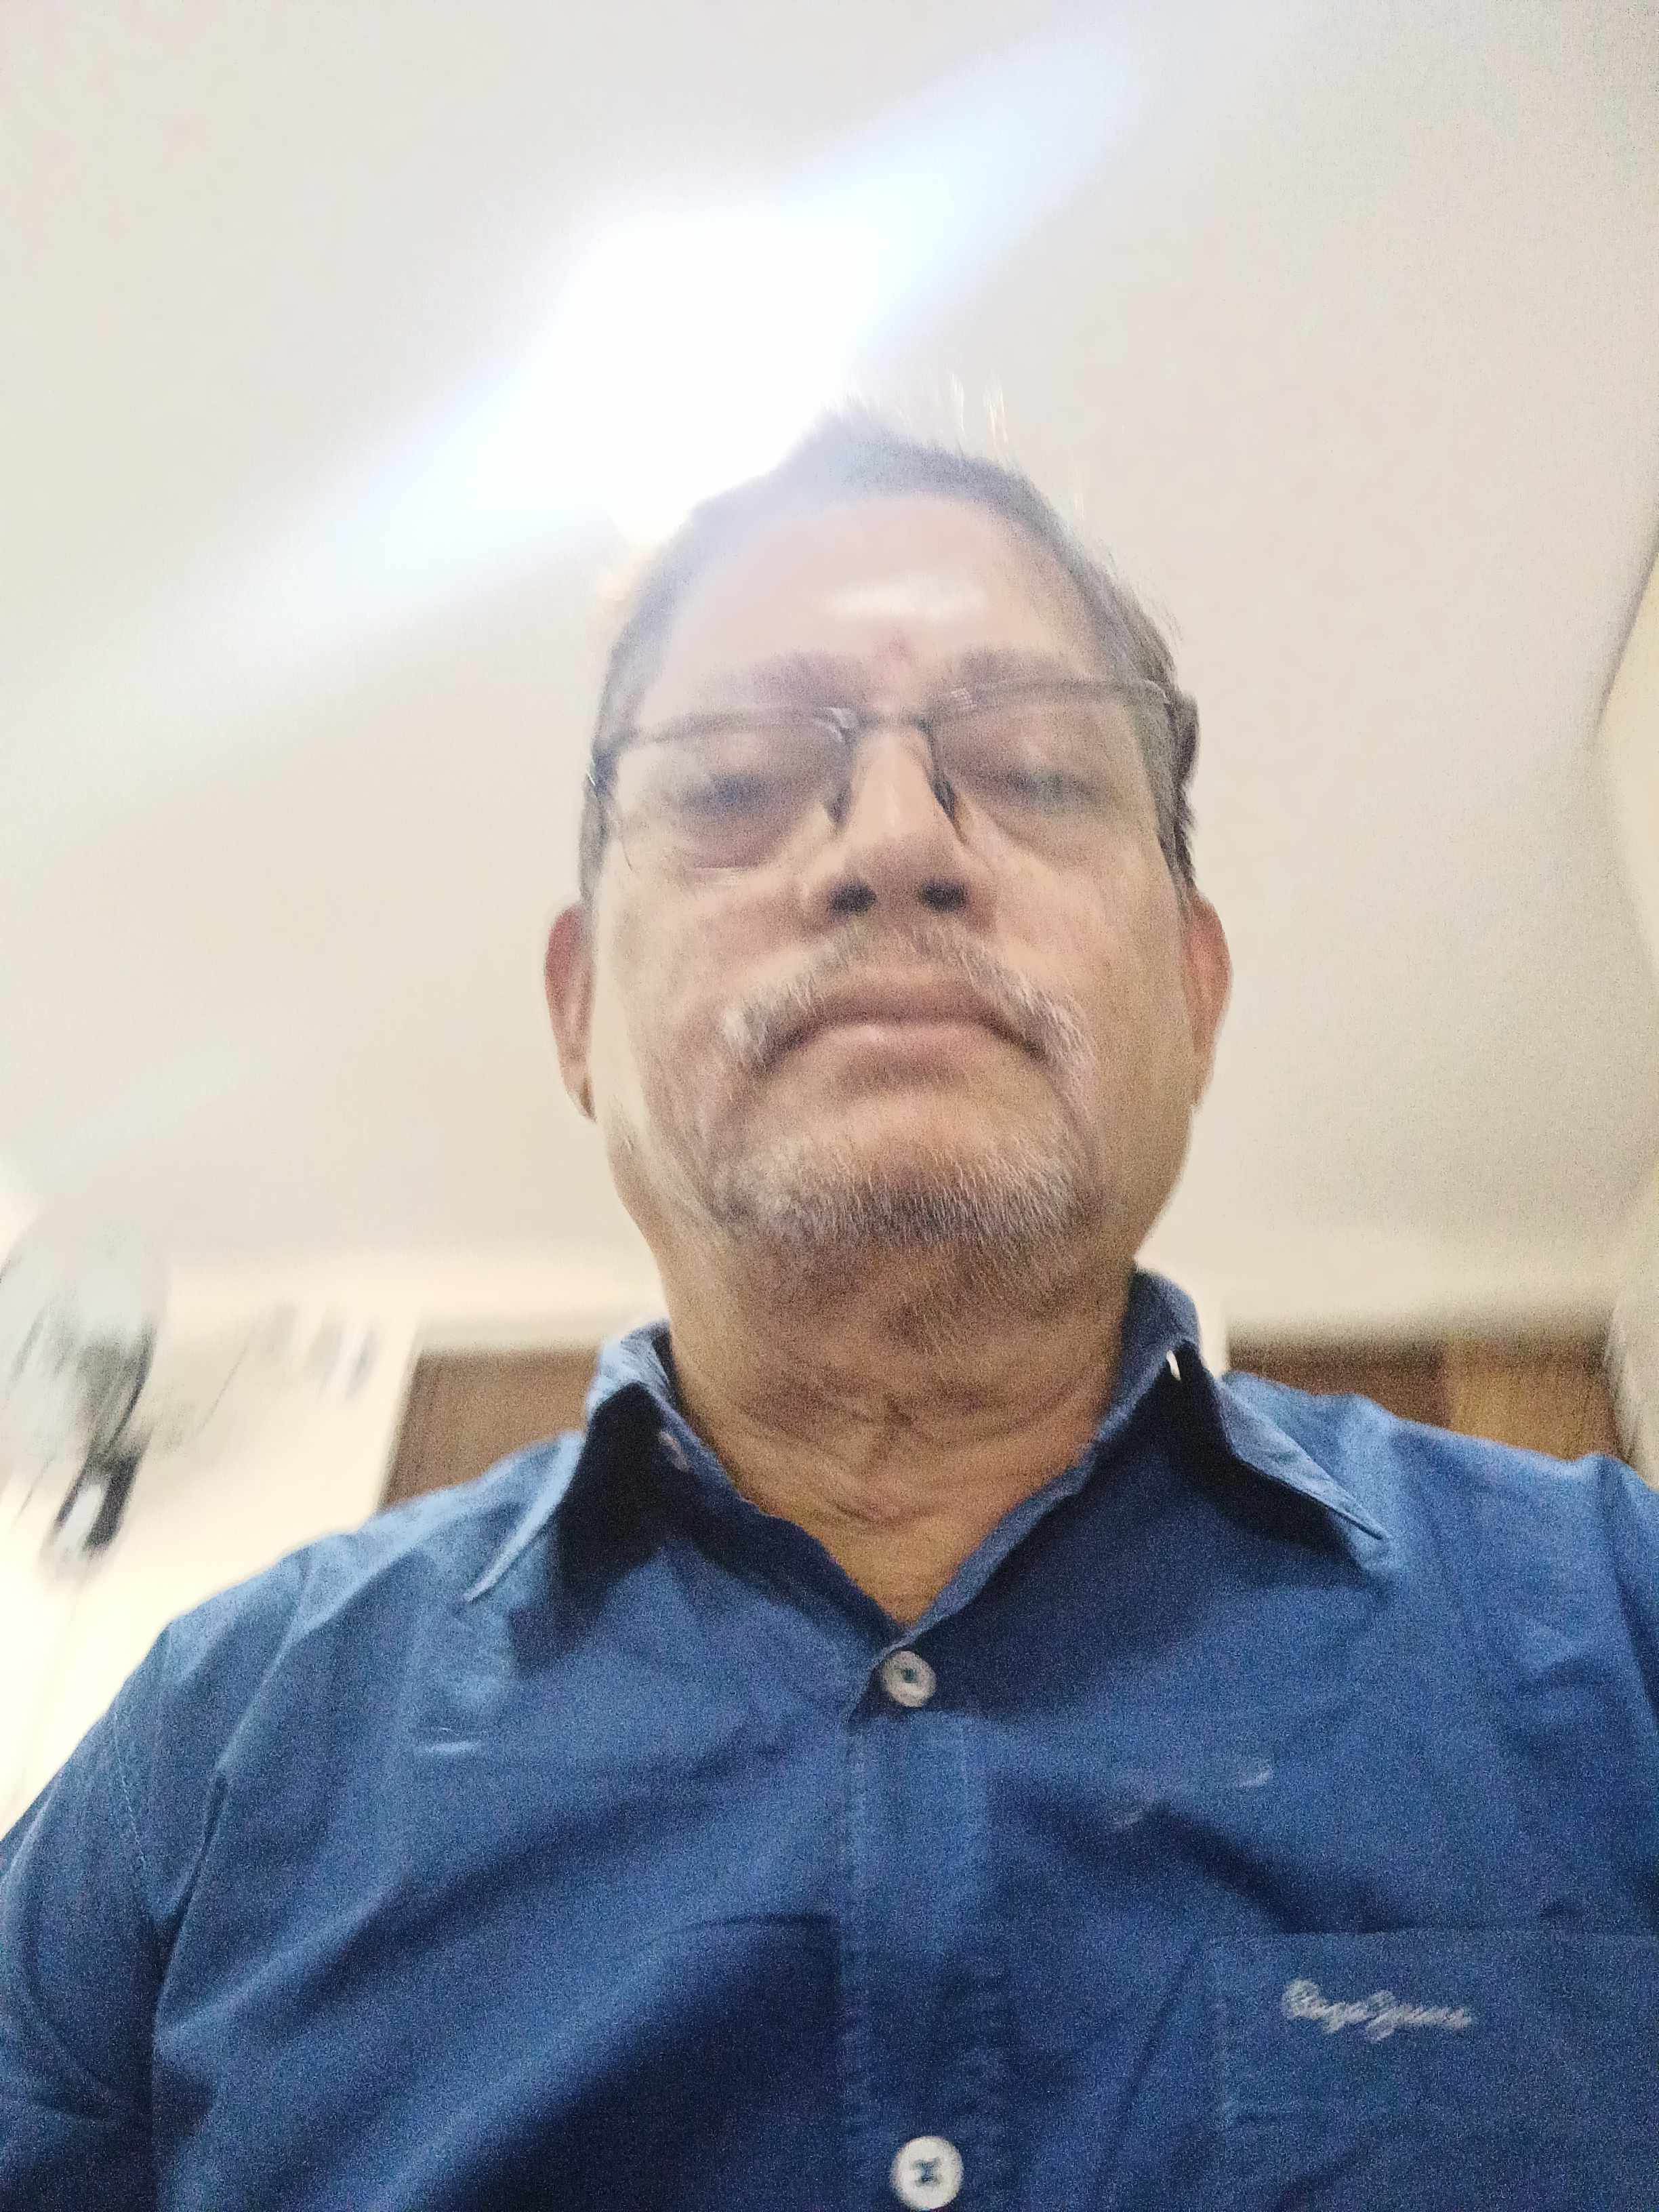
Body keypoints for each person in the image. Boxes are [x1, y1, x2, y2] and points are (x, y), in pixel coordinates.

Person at [3, 413, 1658, 2211]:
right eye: (731, 783)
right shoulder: (219, 1744)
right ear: (577, 1009)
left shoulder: (1616, 1629)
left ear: (1195, 993)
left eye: (1033, 771)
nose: (893, 842)